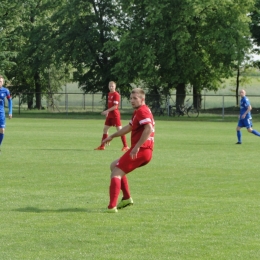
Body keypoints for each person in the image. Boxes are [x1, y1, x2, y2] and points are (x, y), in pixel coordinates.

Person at [102, 88, 155, 213]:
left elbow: (148, 128)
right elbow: (129, 127)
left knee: (116, 173)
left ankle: (111, 207)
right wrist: (112, 136)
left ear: (142, 99)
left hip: (142, 150)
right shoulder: (139, 112)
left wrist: (136, 147)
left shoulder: (142, 111)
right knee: (114, 165)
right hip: (143, 150)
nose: (132, 101)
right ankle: (126, 198)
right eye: (131, 98)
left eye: (135, 98)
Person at [94, 81, 129, 151]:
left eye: (112, 86)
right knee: (105, 129)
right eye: (110, 86)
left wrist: (107, 111)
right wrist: (108, 112)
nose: (111, 87)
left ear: (115, 87)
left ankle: (126, 146)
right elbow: (110, 105)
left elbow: (115, 106)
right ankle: (102, 146)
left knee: (120, 130)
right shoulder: (109, 94)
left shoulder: (116, 95)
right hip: (110, 115)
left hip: (115, 115)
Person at [0, 75, 12, 152]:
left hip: (1, 114)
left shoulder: (5, 91)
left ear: (3, 82)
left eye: (0, 81)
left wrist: (10, 112)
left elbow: (10, 101)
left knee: (2, 130)